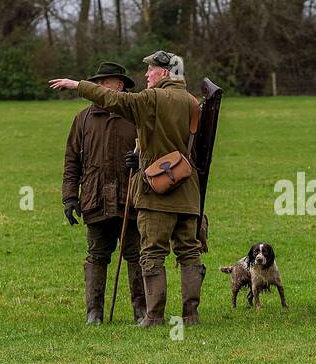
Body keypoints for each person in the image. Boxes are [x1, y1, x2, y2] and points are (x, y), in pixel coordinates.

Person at [49, 50, 204, 327]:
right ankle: (190, 316)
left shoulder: (150, 100)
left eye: (151, 70)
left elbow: (113, 100)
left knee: (151, 254)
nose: (146, 75)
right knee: (189, 253)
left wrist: (78, 85)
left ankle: (152, 315)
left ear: (165, 73)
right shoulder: (193, 102)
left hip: (156, 191)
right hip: (188, 189)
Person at [62, 61, 143, 324]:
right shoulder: (83, 119)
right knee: (97, 256)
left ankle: (141, 311)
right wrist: (70, 197)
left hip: (130, 197)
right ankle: (93, 312)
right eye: (96, 82)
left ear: (118, 85)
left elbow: (153, 152)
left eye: (103, 82)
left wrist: (139, 162)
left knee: (136, 255)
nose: (98, 86)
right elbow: (72, 161)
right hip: (95, 199)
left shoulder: (136, 115)